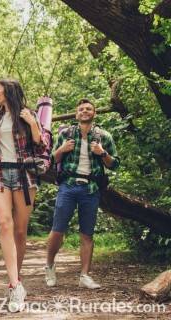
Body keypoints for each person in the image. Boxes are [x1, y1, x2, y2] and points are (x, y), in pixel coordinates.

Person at [0, 79, 48, 312]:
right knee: (4, 224)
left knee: (20, 231)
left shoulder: (27, 114)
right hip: (0, 176)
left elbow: (42, 147)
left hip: (25, 178)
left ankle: (17, 278)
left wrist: (33, 123)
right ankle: (14, 285)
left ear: (8, 92)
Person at [44, 98, 119, 289]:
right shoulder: (66, 134)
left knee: (87, 234)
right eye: (81, 109)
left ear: (94, 113)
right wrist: (62, 149)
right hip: (68, 186)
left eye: (89, 109)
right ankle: (49, 266)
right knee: (57, 230)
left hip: (91, 189)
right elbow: (51, 159)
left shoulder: (104, 136)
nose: (85, 111)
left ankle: (84, 275)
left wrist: (102, 153)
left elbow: (115, 164)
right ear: (76, 114)